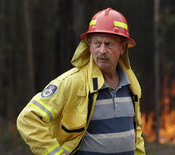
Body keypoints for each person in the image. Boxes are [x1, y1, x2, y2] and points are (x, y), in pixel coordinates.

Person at [17, 8, 146, 155]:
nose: (102, 50)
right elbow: (27, 119)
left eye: (109, 44)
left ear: (122, 48)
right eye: (97, 44)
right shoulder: (72, 82)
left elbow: (136, 132)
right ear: (89, 46)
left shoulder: (131, 84)